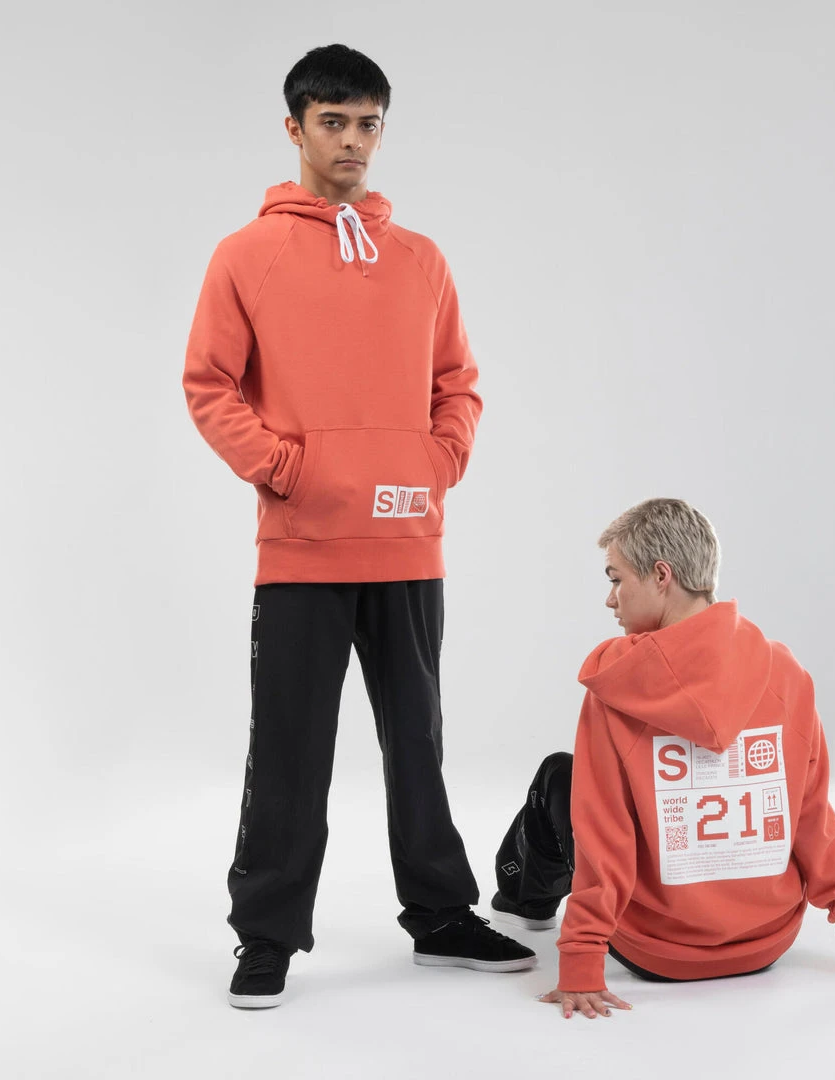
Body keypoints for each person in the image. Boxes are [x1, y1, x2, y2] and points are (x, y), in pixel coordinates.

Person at [183, 43, 534, 1009]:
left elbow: (457, 383)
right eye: (332, 122)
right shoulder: (246, 255)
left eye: (368, 123)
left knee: (417, 740)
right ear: (294, 128)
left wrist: (438, 462)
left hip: (409, 540)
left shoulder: (421, 259)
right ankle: (267, 936)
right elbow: (209, 386)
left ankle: (442, 915)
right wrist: (288, 470)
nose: (352, 141)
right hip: (302, 549)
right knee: (289, 751)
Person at [491, 498, 835, 1019]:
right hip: (765, 943)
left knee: (560, 775)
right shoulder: (786, 672)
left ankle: (523, 903)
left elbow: (603, 834)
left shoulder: (616, 686)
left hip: (657, 952)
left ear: (662, 576)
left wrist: (581, 965)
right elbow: (811, 819)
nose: (611, 599)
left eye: (616, 579)